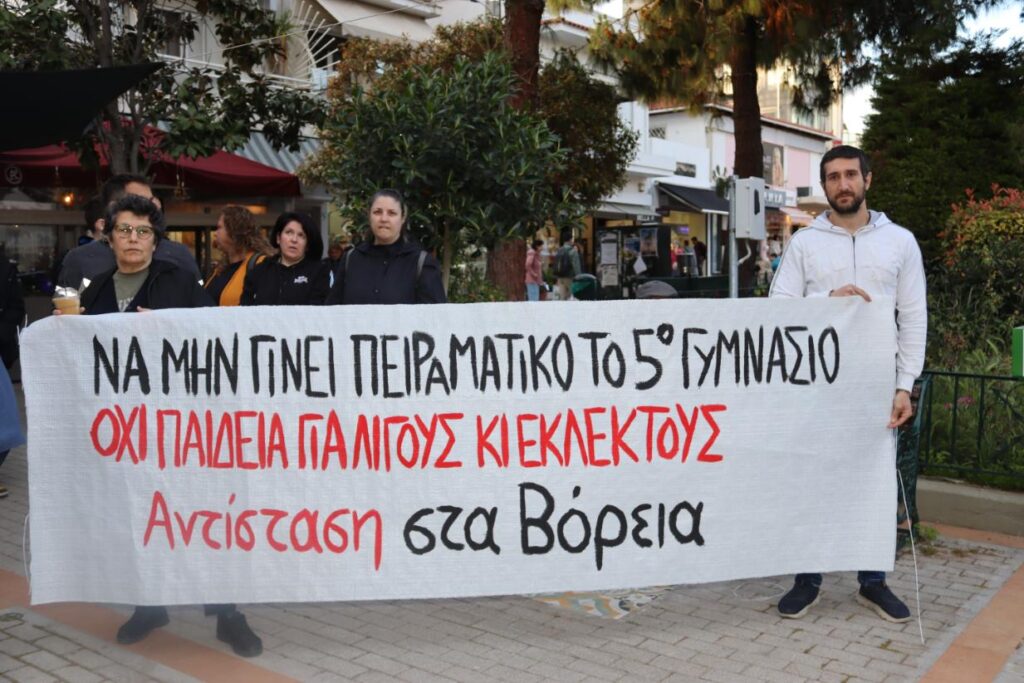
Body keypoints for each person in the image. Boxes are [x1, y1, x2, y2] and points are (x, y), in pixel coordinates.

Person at [67, 195, 263, 657]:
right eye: (125, 230)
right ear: (109, 237)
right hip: (127, 434)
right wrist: (63, 332)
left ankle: (227, 613)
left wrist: (171, 327)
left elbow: (216, 335)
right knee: (140, 518)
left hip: (181, 429)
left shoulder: (178, 281)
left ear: (156, 240)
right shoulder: (93, 292)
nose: (133, 239)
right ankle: (150, 605)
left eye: (144, 231)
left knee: (203, 518)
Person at [769, 144, 926, 624]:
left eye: (850, 175)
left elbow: (913, 316)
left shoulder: (900, 241)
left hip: (877, 384)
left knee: (874, 482)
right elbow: (778, 308)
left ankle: (873, 581)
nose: (843, 184)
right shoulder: (805, 243)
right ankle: (807, 579)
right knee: (812, 478)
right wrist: (827, 300)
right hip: (817, 384)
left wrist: (904, 384)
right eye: (833, 177)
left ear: (867, 180)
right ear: (824, 185)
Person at [57, 174, 200, 290]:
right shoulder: (80, 259)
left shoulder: (178, 254)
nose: (154, 206)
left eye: (152, 200)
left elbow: (201, 308)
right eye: (142, 201)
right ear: (113, 207)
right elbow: (63, 307)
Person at [326, 189, 445, 305]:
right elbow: (332, 311)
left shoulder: (421, 263)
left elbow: (436, 315)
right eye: (377, 212)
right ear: (369, 215)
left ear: (403, 218)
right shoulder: (351, 259)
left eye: (392, 213)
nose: (384, 219)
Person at [242, 212, 330, 305]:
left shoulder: (319, 271)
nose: (294, 240)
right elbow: (245, 307)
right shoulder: (259, 271)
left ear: (307, 245)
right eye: (289, 232)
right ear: (278, 238)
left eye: (301, 235)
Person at [204, 206, 273, 306]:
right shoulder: (221, 269)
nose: (215, 233)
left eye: (219, 228)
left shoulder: (261, 264)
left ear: (234, 230)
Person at [553, 236, 581, 302]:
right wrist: (579, 277)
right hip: (569, 276)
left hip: (560, 276)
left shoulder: (559, 250)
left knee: (562, 297)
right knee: (572, 296)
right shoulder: (572, 251)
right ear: (570, 240)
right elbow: (576, 265)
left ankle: (562, 308)